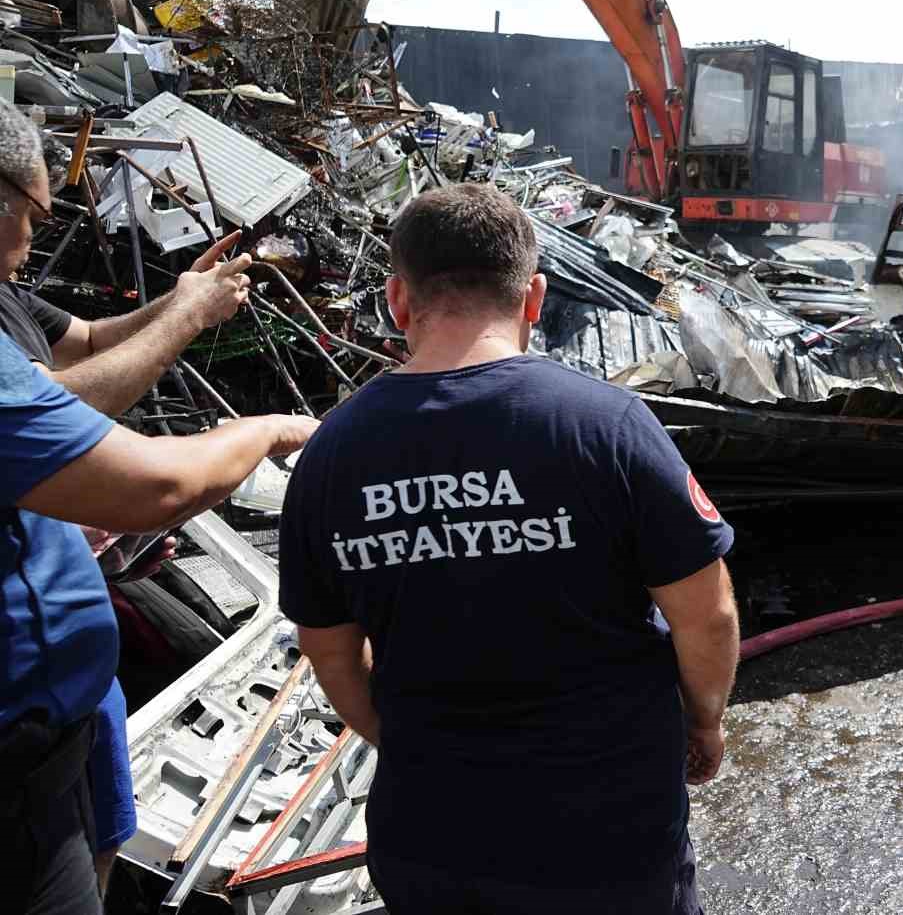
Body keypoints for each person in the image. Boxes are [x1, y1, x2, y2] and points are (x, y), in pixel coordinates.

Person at [278, 183, 740, 915]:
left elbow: (330, 652)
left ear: (398, 301)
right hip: (608, 843)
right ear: (535, 299)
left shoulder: (331, 455)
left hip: (433, 841)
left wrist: (411, 745)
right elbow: (706, 615)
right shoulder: (609, 426)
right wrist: (706, 718)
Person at [0, 99, 254, 896]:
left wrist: (184, 299)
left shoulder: (7, 293)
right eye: (36, 214)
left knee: (108, 830)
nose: (39, 236)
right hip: (17, 738)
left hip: (71, 686)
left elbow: (88, 340)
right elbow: (148, 469)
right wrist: (271, 432)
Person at [1, 335, 317, 915]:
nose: (37, 235)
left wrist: (89, 557)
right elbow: (163, 486)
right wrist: (270, 430)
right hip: (23, 762)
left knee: (105, 844)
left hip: (77, 712)